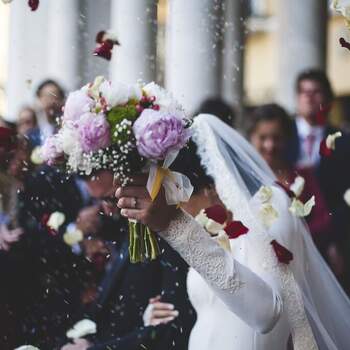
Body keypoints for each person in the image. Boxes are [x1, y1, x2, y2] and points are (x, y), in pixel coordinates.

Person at [117, 114, 350, 350]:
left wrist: (177, 226)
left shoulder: (270, 207)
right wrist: (155, 317)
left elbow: (266, 314)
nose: (181, 212)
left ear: (209, 189)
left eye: (179, 201)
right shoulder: (211, 232)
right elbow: (212, 311)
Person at [59, 169, 195, 350]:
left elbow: (172, 325)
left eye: (111, 199)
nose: (105, 210)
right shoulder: (119, 224)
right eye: (97, 201)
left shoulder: (167, 230)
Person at [248, 103, 332, 251]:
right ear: (251, 138)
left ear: (286, 138)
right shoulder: (243, 177)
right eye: (262, 137)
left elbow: (323, 219)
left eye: (276, 138)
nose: (270, 145)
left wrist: (291, 235)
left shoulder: (303, 175)